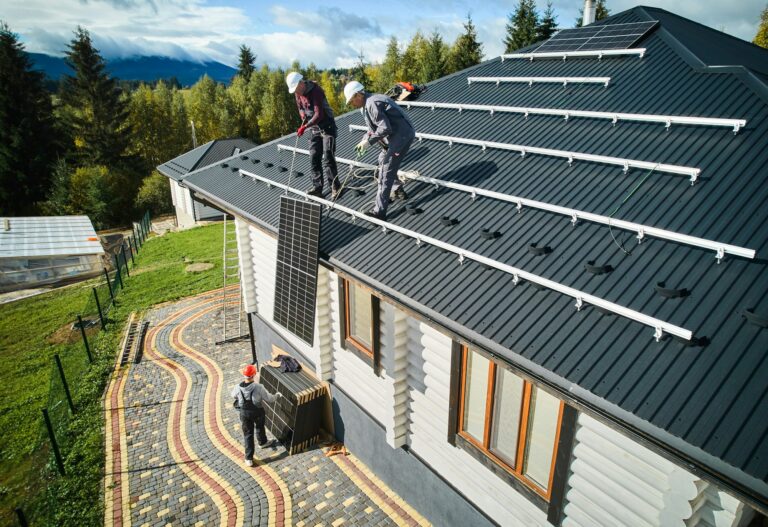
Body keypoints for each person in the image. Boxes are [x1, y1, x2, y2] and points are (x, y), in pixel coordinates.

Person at [344, 80, 415, 221]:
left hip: (402, 136)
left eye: (352, 101)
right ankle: (397, 188)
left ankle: (379, 213)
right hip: (397, 135)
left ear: (358, 95)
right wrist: (363, 140)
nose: (352, 104)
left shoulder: (372, 104)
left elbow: (385, 128)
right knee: (382, 159)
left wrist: (369, 142)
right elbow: (372, 129)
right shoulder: (366, 105)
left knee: (384, 172)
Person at [286, 71, 341, 199]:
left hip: (327, 127)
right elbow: (300, 107)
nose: (296, 92)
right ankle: (317, 188)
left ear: (301, 83)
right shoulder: (297, 92)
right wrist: (302, 115)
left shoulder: (316, 91)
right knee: (314, 157)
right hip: (314, 128)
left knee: (328, 156)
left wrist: (305, 126)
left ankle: (335, 187)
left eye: (296, 89)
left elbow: (319, 115)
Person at [230, 363, 281, 466]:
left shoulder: (237, 387)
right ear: (253, 375)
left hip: (244, 413)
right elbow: (269, 399)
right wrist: (277, 395)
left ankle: (248, 458)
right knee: (260, 426)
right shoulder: (259, 387)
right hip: (257, 412)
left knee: (248, 434)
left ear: (244, 375)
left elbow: (233, 395)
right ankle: (262, 442)